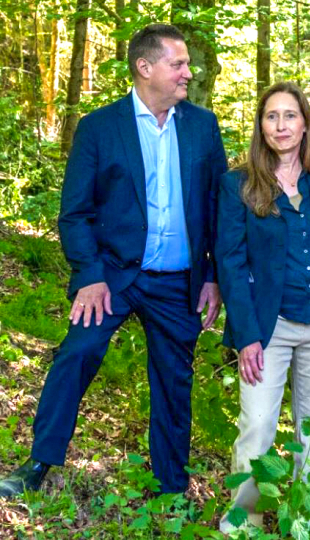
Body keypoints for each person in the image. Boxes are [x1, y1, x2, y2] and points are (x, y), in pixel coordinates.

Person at [0, 24, 228, 497]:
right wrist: (89, 277)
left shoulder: (203, 126)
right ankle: (39, 464)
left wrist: (212, 277)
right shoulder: (100, 127)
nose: (189, 73)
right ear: (145, 68)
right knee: (77, 353)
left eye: (187, 64)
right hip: (114, 277)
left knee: (173, 379)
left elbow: (216, 209)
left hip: (178, 281)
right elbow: (76, 212)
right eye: (178, 64)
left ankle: (170, 486)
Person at [216, 82, 310, 532]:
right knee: (257, 426)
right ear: (260, 126)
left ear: (305, 121)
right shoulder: (237, 184)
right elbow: (231, 264)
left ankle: (309, 516)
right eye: (271, 116)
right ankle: (245, 515)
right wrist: (246, 335)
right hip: (267, 327)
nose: (281, 125)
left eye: (289, 115)